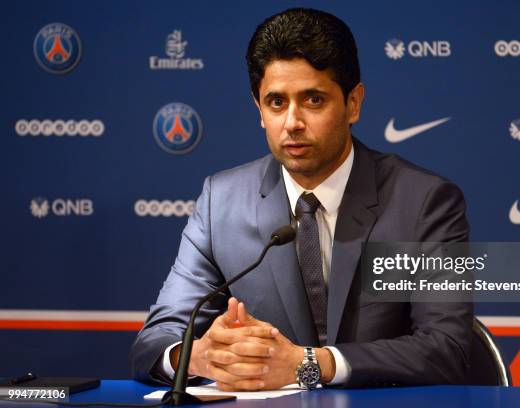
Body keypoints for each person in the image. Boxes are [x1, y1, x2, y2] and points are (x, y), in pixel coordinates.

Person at [130, 8, 472, 391]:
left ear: (353, 103)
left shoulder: (424, 202)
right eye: (276, 102)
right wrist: (200, 356)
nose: (292, 122)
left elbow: (448, 349)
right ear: (259, 109)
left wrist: (310, 364)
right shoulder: (220, 202)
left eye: (313, 100)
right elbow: (153, 341)